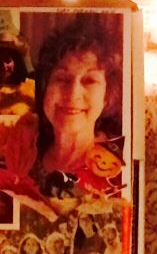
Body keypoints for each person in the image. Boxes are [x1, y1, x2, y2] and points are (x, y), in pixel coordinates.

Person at [32, 16, 122, 187]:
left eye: (89, 81)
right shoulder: (22, 158)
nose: (73, 94)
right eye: (62, 79)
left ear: (107, 96)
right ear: (45, 88)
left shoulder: (118, 173)